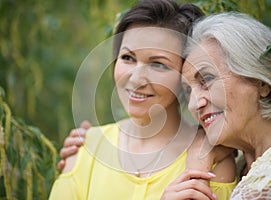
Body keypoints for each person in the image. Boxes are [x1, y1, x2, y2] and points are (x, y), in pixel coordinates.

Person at [49, 1, 237, 200]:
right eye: (128, 58)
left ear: (188, 74)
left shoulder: (212, 162)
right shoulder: (85, 148)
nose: (136, 79)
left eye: (158, 64)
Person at [181, 12, 271, 199]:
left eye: (207, 79)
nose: (194, 104)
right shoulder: (234, 169)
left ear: (262, 82)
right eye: (188, 91)